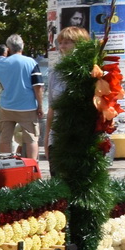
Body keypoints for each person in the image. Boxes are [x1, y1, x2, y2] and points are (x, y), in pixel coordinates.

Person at [0, 35, 43, 158]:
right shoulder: (31, 62)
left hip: (7, 106)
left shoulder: (1, 63)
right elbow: (37, 86)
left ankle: (7, 165)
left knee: (5, 138)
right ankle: (31, 167)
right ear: (22, 46)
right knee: (31, 138)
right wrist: (40, 106)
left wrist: (0, 81)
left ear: (8, 48)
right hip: (27, 106)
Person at [42, 27, 85, 156]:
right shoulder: (55, 72)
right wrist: (47, 140)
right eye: (60, 43)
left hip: (82, 138)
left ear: (79, 44)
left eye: (66, 42)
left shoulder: (90, 71)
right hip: (58, 137)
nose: (62, 47)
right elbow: (52, 108)